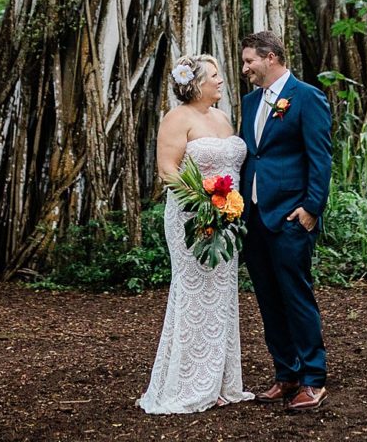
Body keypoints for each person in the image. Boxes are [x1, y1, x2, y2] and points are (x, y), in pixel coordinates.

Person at [137, 54, 254, 414]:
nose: (221, 81)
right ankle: (187, 382)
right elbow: (167, 171)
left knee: (221, 297)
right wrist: (204, 200)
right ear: (196, 83)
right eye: (215, 76)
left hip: (227, 221)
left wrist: (227, 205)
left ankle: (218, 381)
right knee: (193, 294)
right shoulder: (177, 118)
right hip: (192, 220)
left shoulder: (222, 118)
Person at [238, 30, 332, 413]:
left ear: (271, 57)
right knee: (268, 300)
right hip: (254, 217)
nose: (245, 68)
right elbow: (252, 157)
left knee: (296, 297)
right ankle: (286, 373)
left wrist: (312, 208)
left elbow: (320, 157)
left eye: (250, 61)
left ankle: (313, 378)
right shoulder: (249, 103)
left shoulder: (307, 97)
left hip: (291, 216)